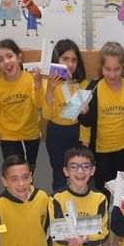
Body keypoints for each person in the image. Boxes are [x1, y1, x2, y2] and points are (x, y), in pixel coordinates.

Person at [78, 41, 124, 196]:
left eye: (117, 69)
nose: (112, 75)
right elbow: (86, 122)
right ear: (101, 68)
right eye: (107, 69)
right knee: (103, 193)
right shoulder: (94, 88)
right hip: (101, 153)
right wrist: (84, 113)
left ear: (123, 67)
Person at [49, 147, 108, 246]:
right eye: (74, 167)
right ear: (66, 171)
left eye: (85, 166)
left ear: (92, 170)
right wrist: (75, 235)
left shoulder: (100, 198)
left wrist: (85, 238)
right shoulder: (56, 198)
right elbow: (57, 231)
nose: (80, 171)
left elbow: (102, 231)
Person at [42, 39, 90, 192]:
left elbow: (83, 115)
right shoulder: (49, 83)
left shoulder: (82, 84)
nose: (70, 64)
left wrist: (85, 140)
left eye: (74, 60)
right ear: (57, 60)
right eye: (65, 59)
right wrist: (50, 90)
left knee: (79, 173)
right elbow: (47, 115)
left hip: (76, 132)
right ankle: (59, 202)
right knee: (59, 173)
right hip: (56, 133)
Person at [0, 39, 43, 169]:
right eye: (1, 59)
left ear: (19, 57)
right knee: (13, 172)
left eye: (9, 56)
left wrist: (38, 84)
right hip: (8, 137)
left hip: (31, 135)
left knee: (29, 172)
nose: (6, 62)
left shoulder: (31, 79)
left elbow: (39, 104)